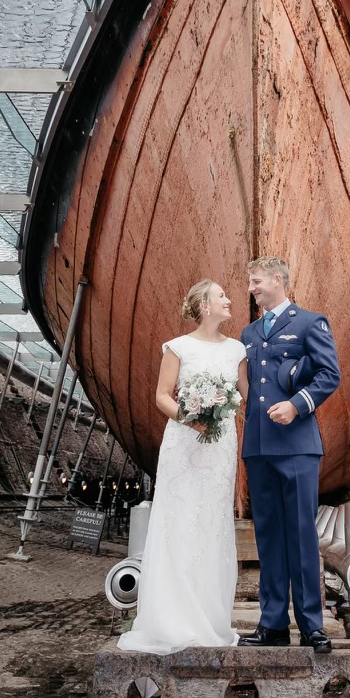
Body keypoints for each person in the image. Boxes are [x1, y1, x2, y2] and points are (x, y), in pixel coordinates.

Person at [118, 279, 248, 654]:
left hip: (220, 446)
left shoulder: (238, 349)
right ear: (205, 305)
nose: (229, 300)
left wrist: (224, 408)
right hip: (183, 444)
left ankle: (209, 617)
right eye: (222, 295)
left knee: (212, 522)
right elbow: (161, 395)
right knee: (178, 520)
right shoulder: (177, 347)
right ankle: (170, 617)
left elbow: (243, 396)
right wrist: (190, 417)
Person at [238, 256, 341, 654]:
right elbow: (250, 383)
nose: (252, 288)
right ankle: (272, 624)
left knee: (300, 535)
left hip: (297, 445)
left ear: (279, 280)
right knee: (268, 537)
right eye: (250, 282)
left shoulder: (309, 322)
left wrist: (298, 405)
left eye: (257, 281)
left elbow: (329, 374)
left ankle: (313, 626)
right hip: (259, 447)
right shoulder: (248, 332)